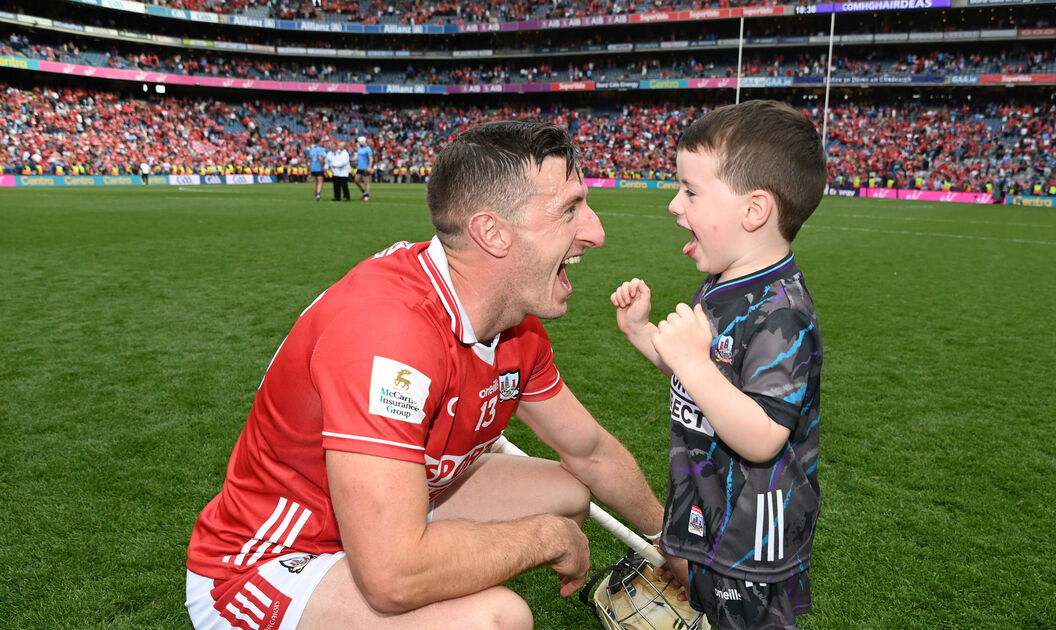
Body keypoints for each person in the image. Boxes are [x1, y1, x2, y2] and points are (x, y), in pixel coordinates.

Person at [186, 120, 685, 630]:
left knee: (568, 492)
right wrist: (546, 537)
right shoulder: (390, 332)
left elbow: (590, 452)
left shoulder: (516, 329)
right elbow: (392, 577)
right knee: (496, 618)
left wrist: (674, 543)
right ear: (491, 232)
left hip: (397, 509)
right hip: (268, 565)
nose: (595, 233)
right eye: (570, 210)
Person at [610, 100, 826, 630]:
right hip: (710, 511)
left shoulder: (782, 311)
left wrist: (694, 363)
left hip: (753, 536)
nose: (673, 205)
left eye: (689, 190)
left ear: (753, 211)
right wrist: (645, 334)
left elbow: (763, 435)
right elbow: (705, 383)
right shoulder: (722, 285)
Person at [355, 136, 374, 201]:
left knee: (366, 182)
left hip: (365, 168)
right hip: (359, 167)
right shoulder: (359, 149)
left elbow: (371, 159)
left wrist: (369, 167)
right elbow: (358, 157)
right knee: (356, 180)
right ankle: (364, 192)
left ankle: (367, 196)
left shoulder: (368, 149)